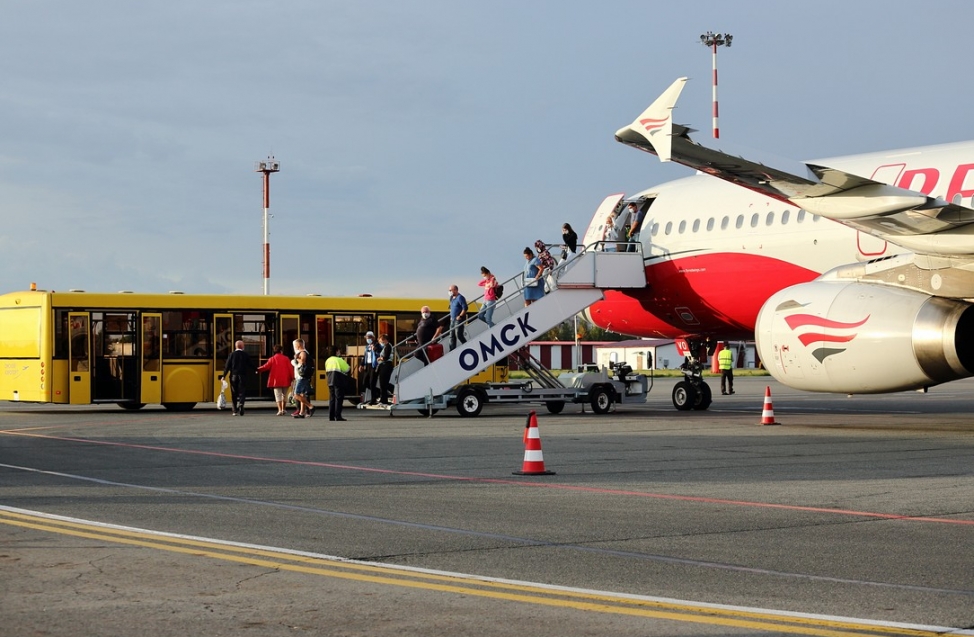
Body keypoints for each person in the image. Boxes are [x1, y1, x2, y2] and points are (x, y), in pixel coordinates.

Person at [258, 344, 295, 416]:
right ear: (281, 351)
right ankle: (284, 409)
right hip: (286, 380)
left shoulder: (272, 359)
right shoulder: (286, 358)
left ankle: (280, 410)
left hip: (276, 380)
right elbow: (290, 369)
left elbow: (265, 367)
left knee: (278, 395)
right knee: (284, 395)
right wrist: (292, 377)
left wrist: (257, 370)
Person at [222, 340, 252, 416]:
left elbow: (227, 366)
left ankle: (234, 410)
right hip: (243, 376)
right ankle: (241, 404)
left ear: (236, 346)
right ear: (242, 346)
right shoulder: (245, 355)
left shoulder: (231, 355)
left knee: (234, 393)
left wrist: (223, 376)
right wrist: (256, 370)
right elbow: (250, 364)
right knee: (242, 391)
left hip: (233, 376)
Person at [291, 338, 316, 418]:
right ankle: (302, 413)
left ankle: (311, 406)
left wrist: (295, 359)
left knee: (296, 395)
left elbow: (302, 361)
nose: (295, 347)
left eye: (295, 345)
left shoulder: (302, 352)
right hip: (303, 376)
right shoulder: (304, 352)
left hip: (302, 377)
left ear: (299, 345)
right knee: (302, 394)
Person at [325, 346, 351, 421]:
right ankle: (338, 416)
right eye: (338, 351)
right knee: (338, 399)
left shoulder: (328, 360)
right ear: (336, 351)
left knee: (332, 398)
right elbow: (347, 369)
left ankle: (331, 416)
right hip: (338, 381)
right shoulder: (339, 360)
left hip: (330, 381)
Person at [359, 330, 379, 404]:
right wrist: (361, 365)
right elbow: (365, 356)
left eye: (370, 337)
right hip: (367, 365)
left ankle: (373, 399)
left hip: (374, 365)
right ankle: (377, 392)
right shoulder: (367, 347)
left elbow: (379, 353)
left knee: (372, 382)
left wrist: (375, 350)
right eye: (367, 338)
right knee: (365, 382)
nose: (368, 339)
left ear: (373, 338)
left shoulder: (377, 345)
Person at [448, 284, 468, 350]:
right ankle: (452, 351)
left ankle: (467, 346)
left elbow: (465, 308)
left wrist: (460, 316)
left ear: (455, 290)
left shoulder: (460, 297)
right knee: (451, 336)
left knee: (458, 335)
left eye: (451, 290)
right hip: (452, 320)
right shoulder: (451, 298)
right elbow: (451, 307)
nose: (449, 291)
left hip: (458, 320)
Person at [375, 333, 394, 405]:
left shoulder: (388, 346)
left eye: (381, 341)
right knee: (383, 383)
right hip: (384, 365)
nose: (381, 343)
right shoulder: (386, 346)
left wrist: (379, 358)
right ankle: (383, 399)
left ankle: (383, 400)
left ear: (385, 340)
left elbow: (386, 357)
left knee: (383, 383)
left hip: (387, 365)